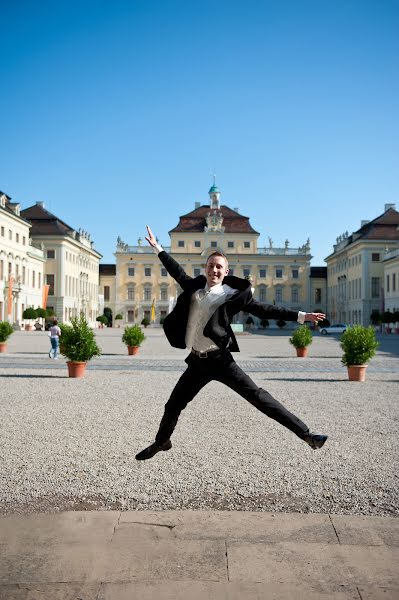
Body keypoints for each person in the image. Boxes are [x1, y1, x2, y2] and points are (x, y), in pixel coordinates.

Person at [136, 226, 328, 461]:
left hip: (221, 360)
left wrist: (301, 316)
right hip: (197, 361)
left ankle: (307, 435)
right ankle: (161, 442)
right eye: (210, 265)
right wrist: (158, 248)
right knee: (172, 406)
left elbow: (264, 309)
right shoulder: (195, 287)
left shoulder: (230, 294)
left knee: (258, 397)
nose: (214, 269)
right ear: (205, 269)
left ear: (226, 271)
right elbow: (177, 272)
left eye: (219, 266)